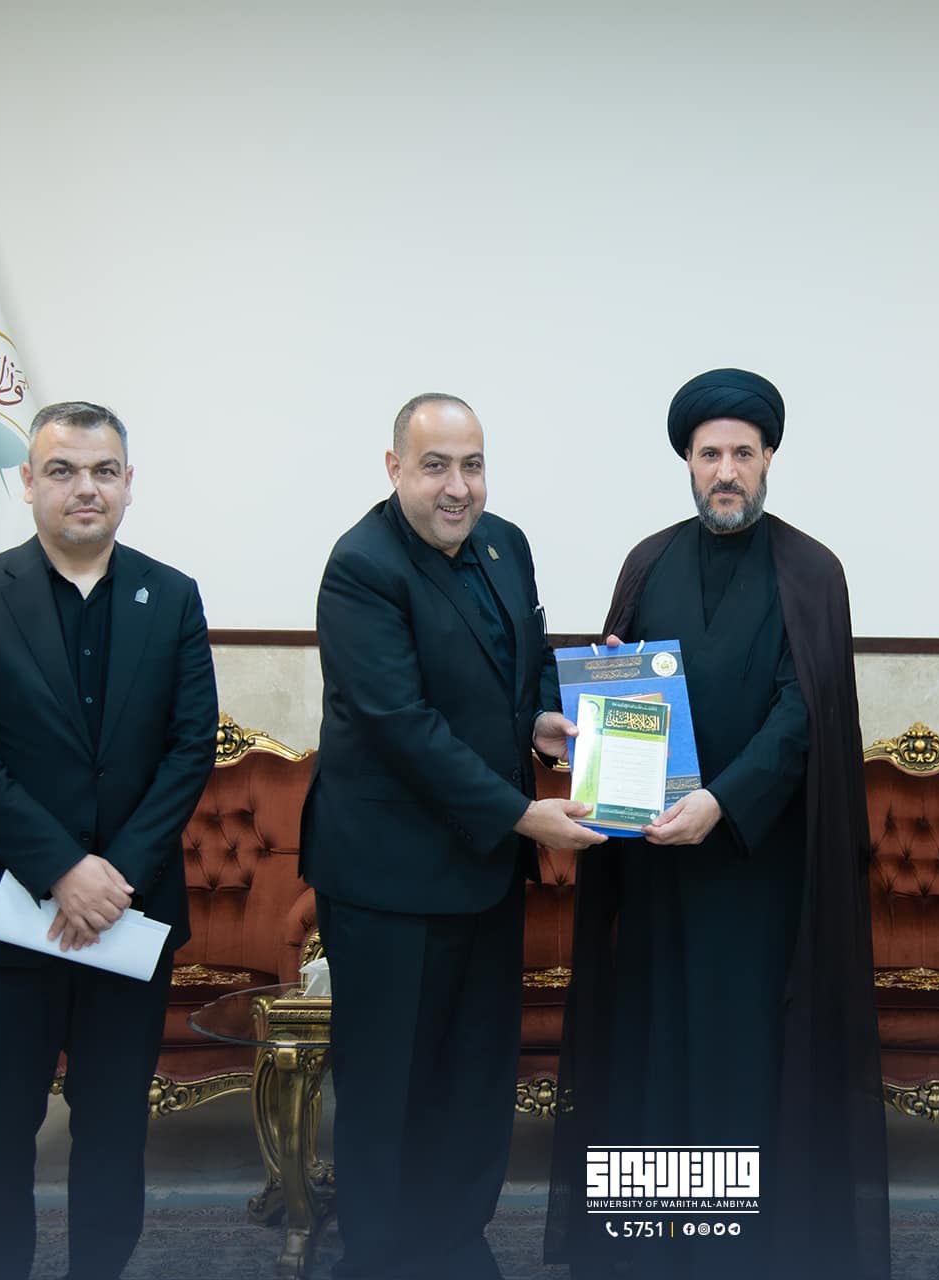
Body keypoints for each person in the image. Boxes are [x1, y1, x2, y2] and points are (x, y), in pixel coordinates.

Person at [545, 368, 888, 1280]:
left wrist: (724, 800)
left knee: (746, 1062)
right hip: (656, 874)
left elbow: (801, 714)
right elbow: (617, 685)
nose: (725, 471)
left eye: (742, 453)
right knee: (652, 1057)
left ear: (769, 458)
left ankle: (747, 1252)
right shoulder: (647, 562)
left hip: (757, 873)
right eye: (709, 455)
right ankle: (652, 1247)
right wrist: (602, 695)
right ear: (688, 463)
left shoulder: (812, 572)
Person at [302, 392, 604, 1280]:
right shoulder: (361, 566)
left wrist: (543, 724)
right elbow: (402, 726)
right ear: (394, 467)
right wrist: (521, 812)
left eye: (472, 465)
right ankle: (379, 1258)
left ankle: (457, 1245)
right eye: (435, 466)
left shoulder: (506, 544)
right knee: (389, 1089)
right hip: (388, 881)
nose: (457, 486)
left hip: (482, 872)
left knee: (475, 1078)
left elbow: (523, 669)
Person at [0, 401, 220, 1280]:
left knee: (113, 1131)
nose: (84, 488)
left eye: (102, 471)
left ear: (128, 484)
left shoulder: (172, 597)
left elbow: (189, 747)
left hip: (128, 915)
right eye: (62, 470)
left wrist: (111, 875)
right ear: (28, 483)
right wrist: (61, 869)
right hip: (6, 924)